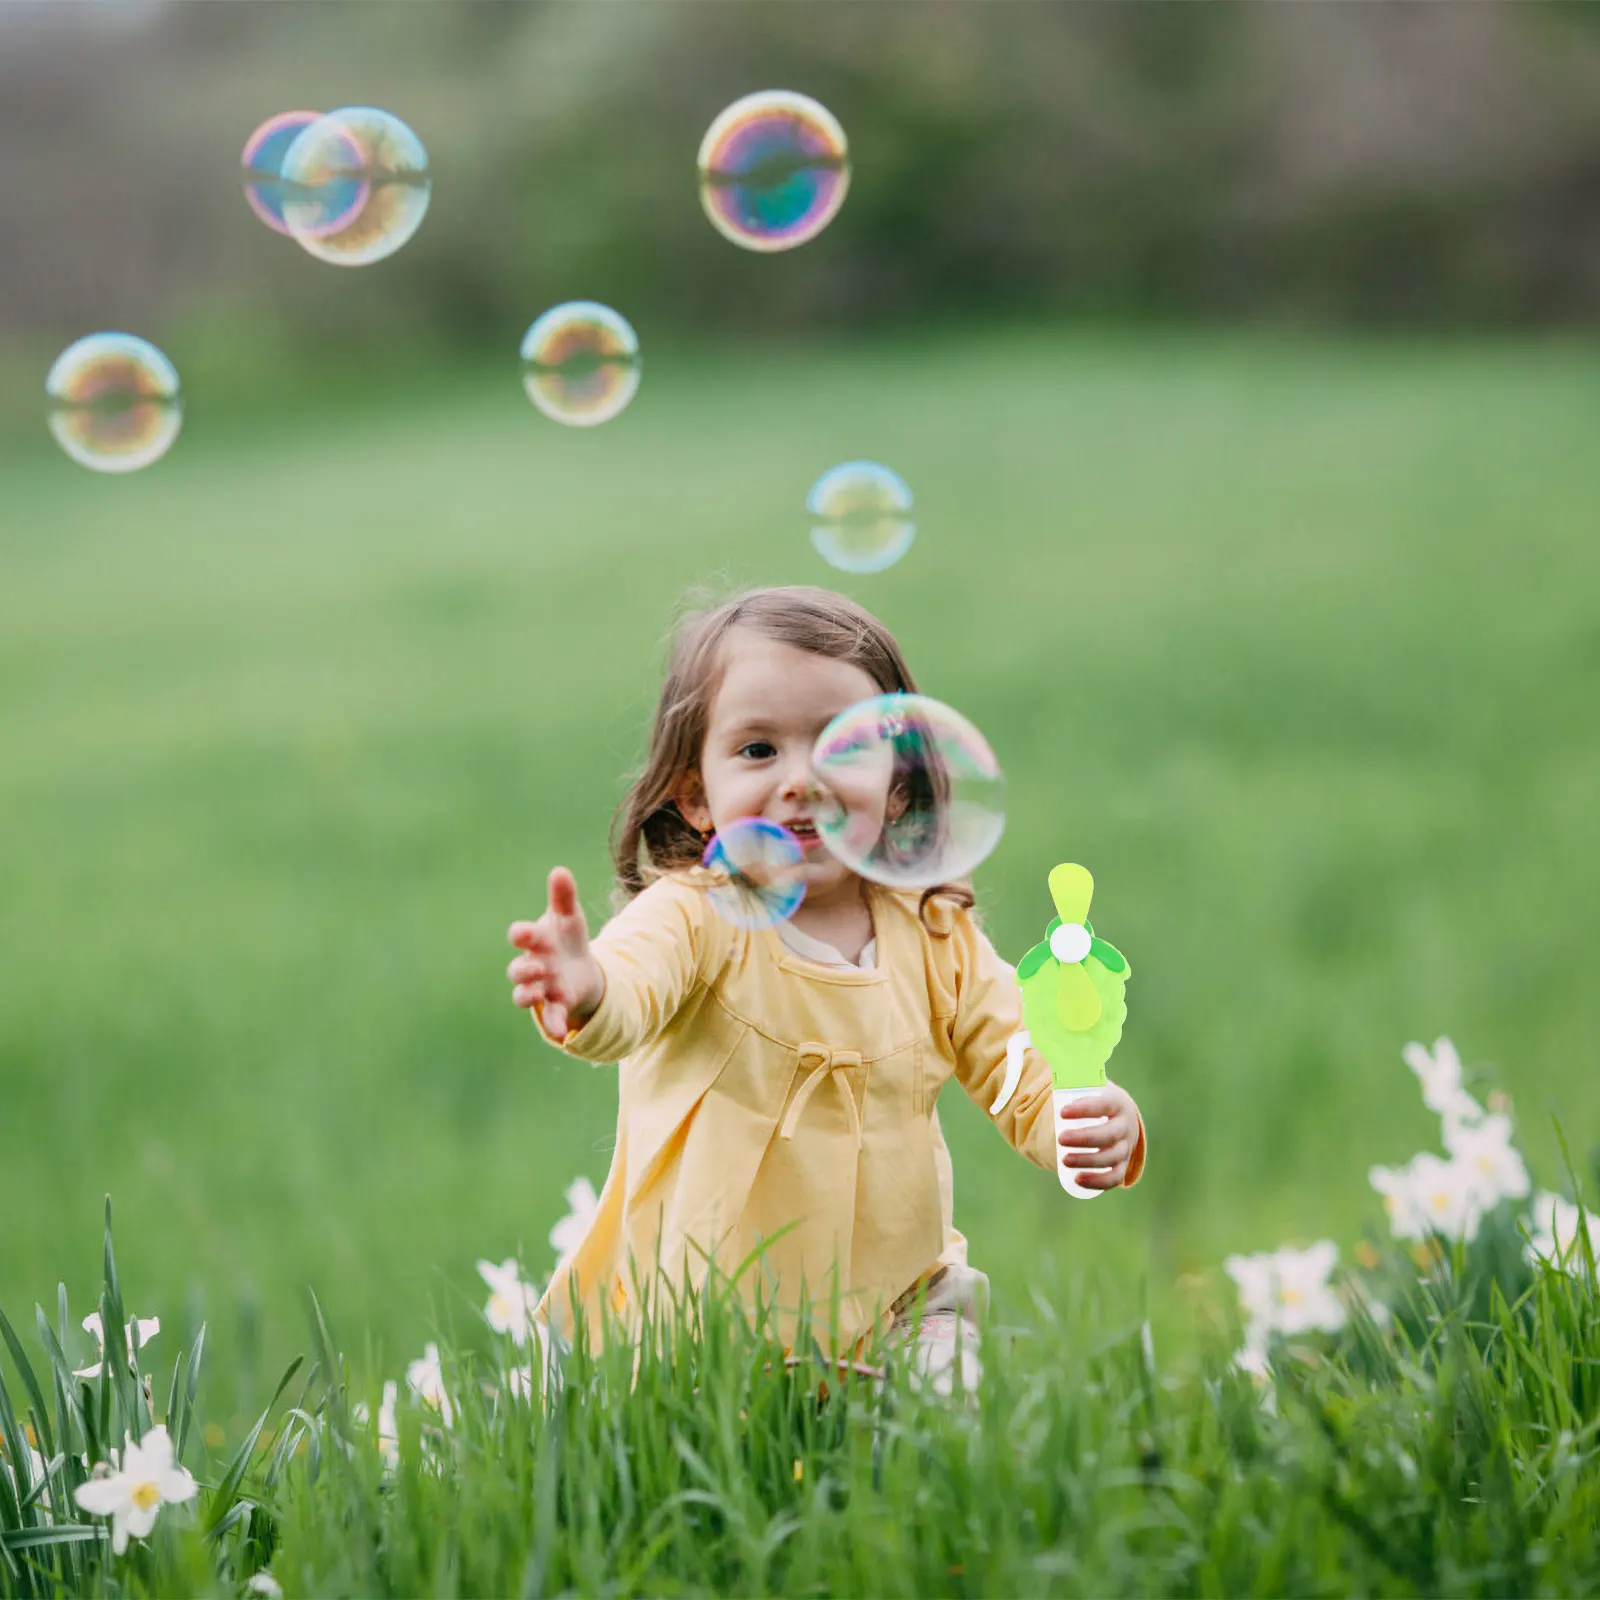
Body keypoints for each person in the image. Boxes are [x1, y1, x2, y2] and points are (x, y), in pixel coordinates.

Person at [506, 585, 1145, 1394]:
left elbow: (1018, 1059)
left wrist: (1075, 1117)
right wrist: (587, 986)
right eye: (758, 751)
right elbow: (631, 991)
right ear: (694, 793)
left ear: (900, 787)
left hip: (908, 1300)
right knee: (746, 1474)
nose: (802, 778)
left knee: (948, 1424)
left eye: (843, 750)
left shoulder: (933, 934)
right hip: (722, 1316)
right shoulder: (695, 917)